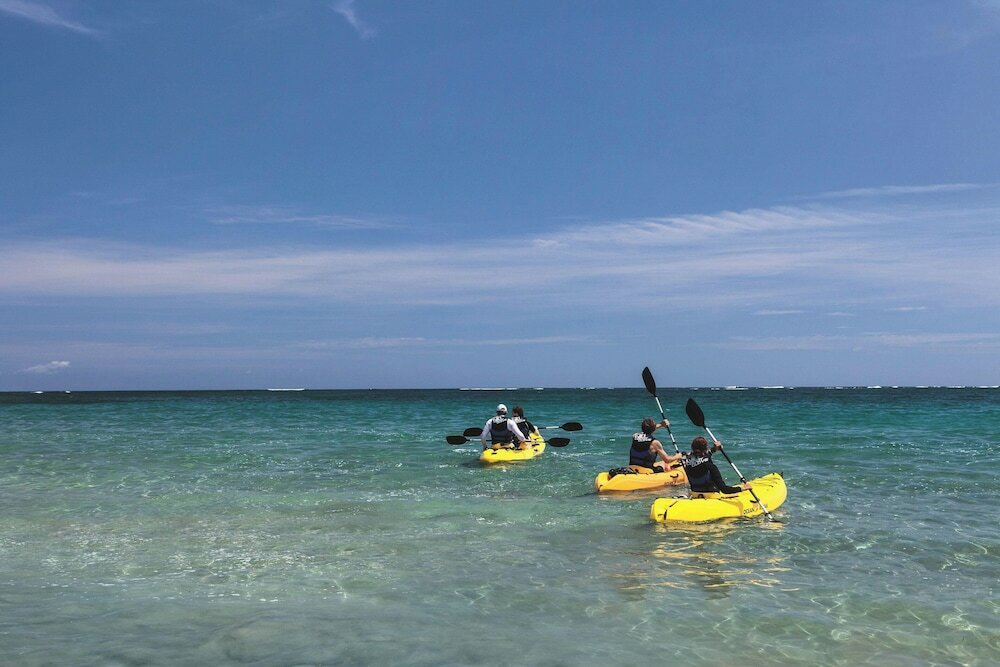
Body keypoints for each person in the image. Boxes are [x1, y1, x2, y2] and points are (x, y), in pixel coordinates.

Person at [677, 436, 750, 494]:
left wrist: (715, 448)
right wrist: (742, 488)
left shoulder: (686, 461)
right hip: (711, 494)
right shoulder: (710, 467)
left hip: (694, 493)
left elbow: (706, 454)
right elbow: (725, 490)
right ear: (706, 448)